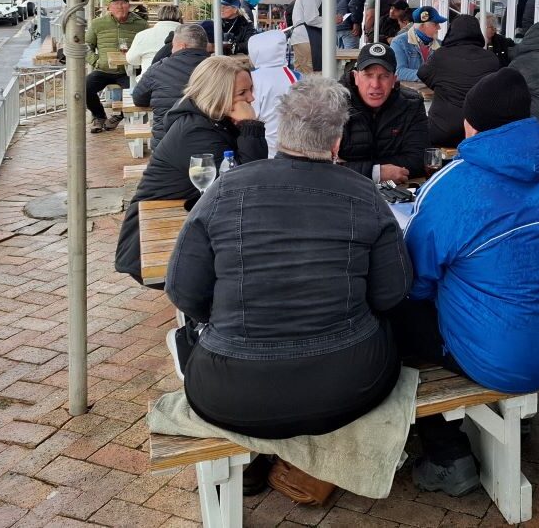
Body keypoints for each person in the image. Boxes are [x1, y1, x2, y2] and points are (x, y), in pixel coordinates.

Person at [165, 76, 411, 470]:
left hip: (228, 391)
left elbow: (183, 293)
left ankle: (256, 469)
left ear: (280, 133)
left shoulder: (224, 190)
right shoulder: (366, 195)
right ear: (337, 142)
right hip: (350, 385)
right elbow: (391, 294)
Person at [396, 68, 539, 496]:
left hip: (503, 358)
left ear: (470, 124)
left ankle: (446, 453)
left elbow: (414, 280)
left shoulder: (456, 183)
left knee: (394, 318)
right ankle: (522, 421)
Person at [115, 56, 268, 284]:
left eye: (251, 90)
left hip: (186, 214)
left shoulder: (214, 120)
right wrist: (250, 127)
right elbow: (243, 182)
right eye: (242, 93)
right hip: (151, 234)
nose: (251, 98)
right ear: (218, 95)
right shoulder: (196, 132)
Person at [339, 42, 428, 183]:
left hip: (399, 196)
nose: (375, 84)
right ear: (355, 77)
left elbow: (419, 160)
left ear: (394, 80)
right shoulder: (333, 105)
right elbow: (321, 168)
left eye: (384, 76)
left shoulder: (411, 103)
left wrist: (353, 165)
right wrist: (377, 172)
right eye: (368, 75)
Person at [418, 15, 500, 146]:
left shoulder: (441, 55)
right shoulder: (491, 59)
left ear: (451, 31)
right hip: (480, 131)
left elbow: (422, 73)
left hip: (443, 130)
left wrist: (441, 84)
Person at [131, 23, 210, 151]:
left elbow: (139, 99)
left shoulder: (158, 69)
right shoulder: (219, 68)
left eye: (173, 46)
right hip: (209, 142)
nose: (171, 50)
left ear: (182, 46)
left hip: (165, 145)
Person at [84, 0, 148, 133]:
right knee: (84, 87)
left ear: (129, 6)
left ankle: (119, 116)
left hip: (129, 71)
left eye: (123, 3)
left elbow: (146, 46)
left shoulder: (141, 24)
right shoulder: (98, 23)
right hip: (103, 70)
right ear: (109, 8)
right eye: (116, 4)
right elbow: (86, 46)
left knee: (137, 94)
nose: (120, 6)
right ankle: (99, 116)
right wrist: (96, 61)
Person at [248, 29, 300, 157]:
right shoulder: (297, 77)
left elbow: (250, 118)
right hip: (296, 149)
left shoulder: (252, 79)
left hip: (264, 150)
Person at [391, 6, 444, 82]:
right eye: (435, 24)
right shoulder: (399, 42)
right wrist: (428, 75)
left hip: (433, 91)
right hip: (407, 93)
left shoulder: (441, 45)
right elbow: (398, 72)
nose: (439, 28)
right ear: (422, 26)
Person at [126, 4, 183, 74]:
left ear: (158, 16)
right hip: (182, 81)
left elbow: (131, 60)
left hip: (148, 81)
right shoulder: (189, 36)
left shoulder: (142, 35)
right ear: (180, 18)